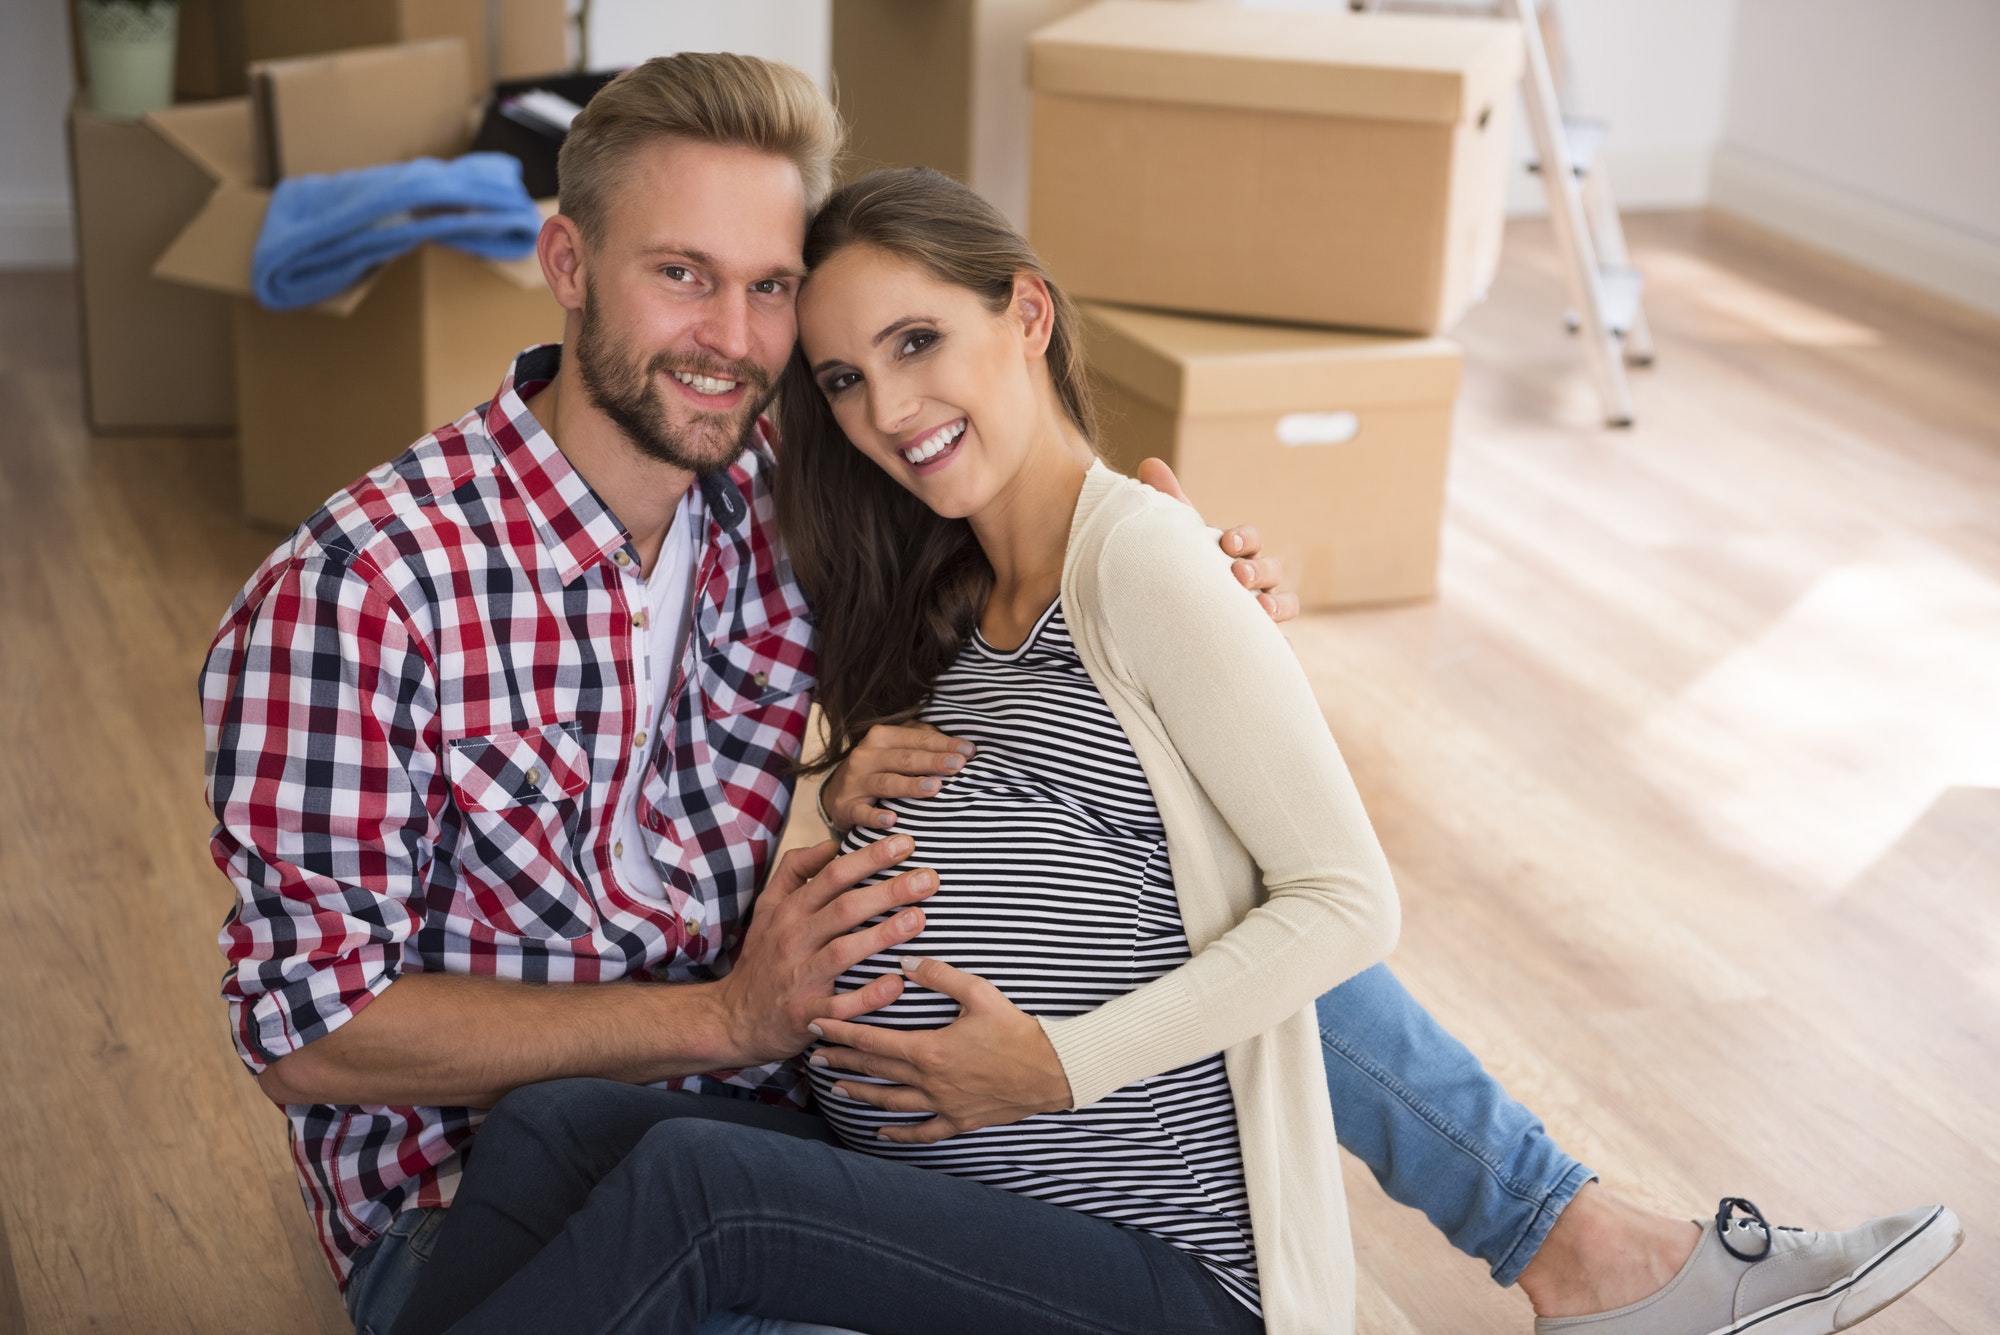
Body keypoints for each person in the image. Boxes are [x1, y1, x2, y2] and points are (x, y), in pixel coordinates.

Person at [196, 53, 1958, 1335]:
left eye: (768, 295)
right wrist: (723, 1021)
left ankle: (1572, 1239)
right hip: (505, 1185)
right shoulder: (364, 591)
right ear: (567, 267)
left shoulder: (780, 501)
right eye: (680, 278)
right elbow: (311, 1037)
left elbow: (1052, 608)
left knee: (1170, 852)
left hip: (793, 1107)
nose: (731, 340)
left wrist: (1215, 618)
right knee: (651, 1178)